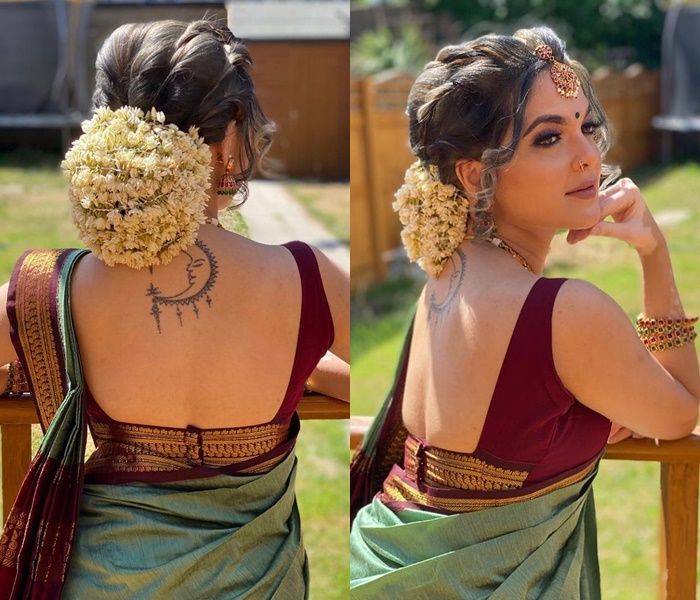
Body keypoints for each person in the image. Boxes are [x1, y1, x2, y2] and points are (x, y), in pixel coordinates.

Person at [0, 18, 349, 598]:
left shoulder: (58, 285)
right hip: (258, 581)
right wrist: (304, 366)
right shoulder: (303, 277)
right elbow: (407, 384)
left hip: (102, 579)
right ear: (232, 133)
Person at [350, 26, 700, 598]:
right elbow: (680, 414)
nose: (589, 156)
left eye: (586, 126)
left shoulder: (442, 278)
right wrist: (654, 254)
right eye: (547, 139)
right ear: (475, 174)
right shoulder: (565, 313)